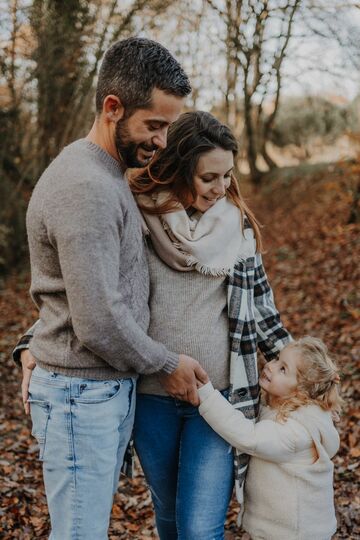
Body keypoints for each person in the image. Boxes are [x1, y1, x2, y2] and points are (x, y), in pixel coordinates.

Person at [16, 111, 291, 539]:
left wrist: (310, 379)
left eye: (227, 176)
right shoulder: (135, 217)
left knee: (199, 530)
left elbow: (265, 315)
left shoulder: (236, 229)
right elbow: (86, 293)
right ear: (179, 171)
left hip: (216, 399)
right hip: (149, 396)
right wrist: (32, 343)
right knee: (168, 519)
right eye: (208, 178)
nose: (222, 189)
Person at [16, 37, 210, 539]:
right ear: (111, 108)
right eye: (154, 125)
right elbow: (98, 317)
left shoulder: (103, 176)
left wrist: (30, 343)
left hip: (93, 393)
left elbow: (73, 286)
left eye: (168, 127)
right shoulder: (88, 188)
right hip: (82, 397)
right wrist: (167, 363)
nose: (163, 142)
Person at [198, 336, 342, 540]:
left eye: (283, 369)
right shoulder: (281, 408)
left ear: (300, 392)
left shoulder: (295, 432)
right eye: (276, 360)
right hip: (281, 528)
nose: (271, 367)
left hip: (294, 532)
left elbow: (248, 437)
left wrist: (206, 396)